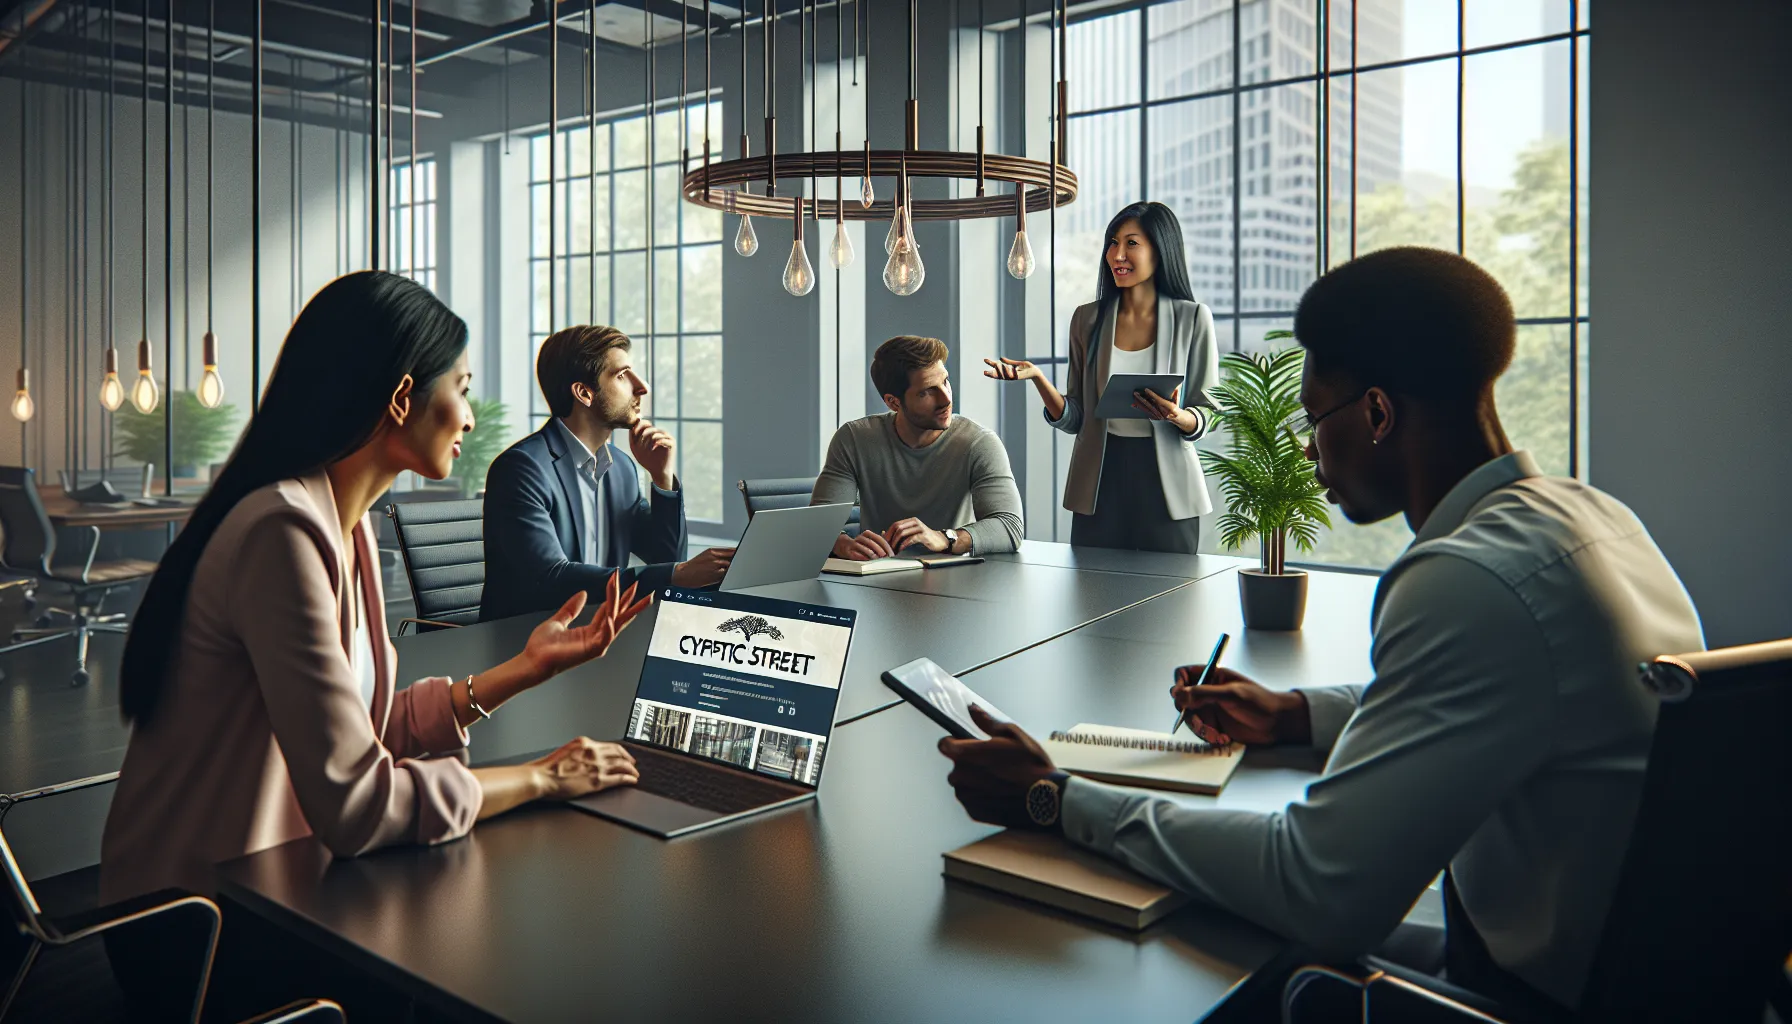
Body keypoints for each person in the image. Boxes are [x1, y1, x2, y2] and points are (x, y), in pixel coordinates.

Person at [938, 248, 1704, 1017]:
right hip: (1629, 974)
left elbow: (1315, 888)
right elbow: (1498, 692)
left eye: (1315, 419)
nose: (1307, 450)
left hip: (1523, 996)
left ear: (1377, 413)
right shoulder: (1592, 518)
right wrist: (1296, 715)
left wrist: (1054, 798)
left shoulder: (1466, 577)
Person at [101, 273, 652, 1019]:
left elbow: (354, 727)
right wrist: (543, 779)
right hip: (198, 924)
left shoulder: (345, 523)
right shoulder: (283, 532)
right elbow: (358, 804)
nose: (470, 414)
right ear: (401, 399)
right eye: (459, 386)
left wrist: (521, 670)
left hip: (277, 885)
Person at [985, 201, 1218, 554]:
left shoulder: (1193, 319)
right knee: (1094, 594)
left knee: (1170, 598)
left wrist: (1178, 415)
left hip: (1167, 488)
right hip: (1101, 481)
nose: (1117, 254)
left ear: (1161, 249)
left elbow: (1209, 410)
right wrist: (1037, 379)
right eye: (1113, 242)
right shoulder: (1087, 320)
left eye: (1131, 243)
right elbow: (1076, 416)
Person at [480, 324, 733, 621]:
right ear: (584, 393)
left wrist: (661, 477)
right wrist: (676, 574)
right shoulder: (522, 470)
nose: (643, 387)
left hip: (603, 636)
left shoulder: (622, 468)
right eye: (623, 375)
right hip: (526, 645)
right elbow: (551, 579)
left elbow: (667, 559)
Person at [813, 335, 1023, 559]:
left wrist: (945, 538)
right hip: (878, 578)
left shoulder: (978, 443)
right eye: (926, 392)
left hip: (955, 580)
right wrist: (843, 544)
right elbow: (817, 525)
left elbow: (1009, 526)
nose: (946, 399)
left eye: (945, 382)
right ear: (893, 402)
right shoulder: (854, 439)